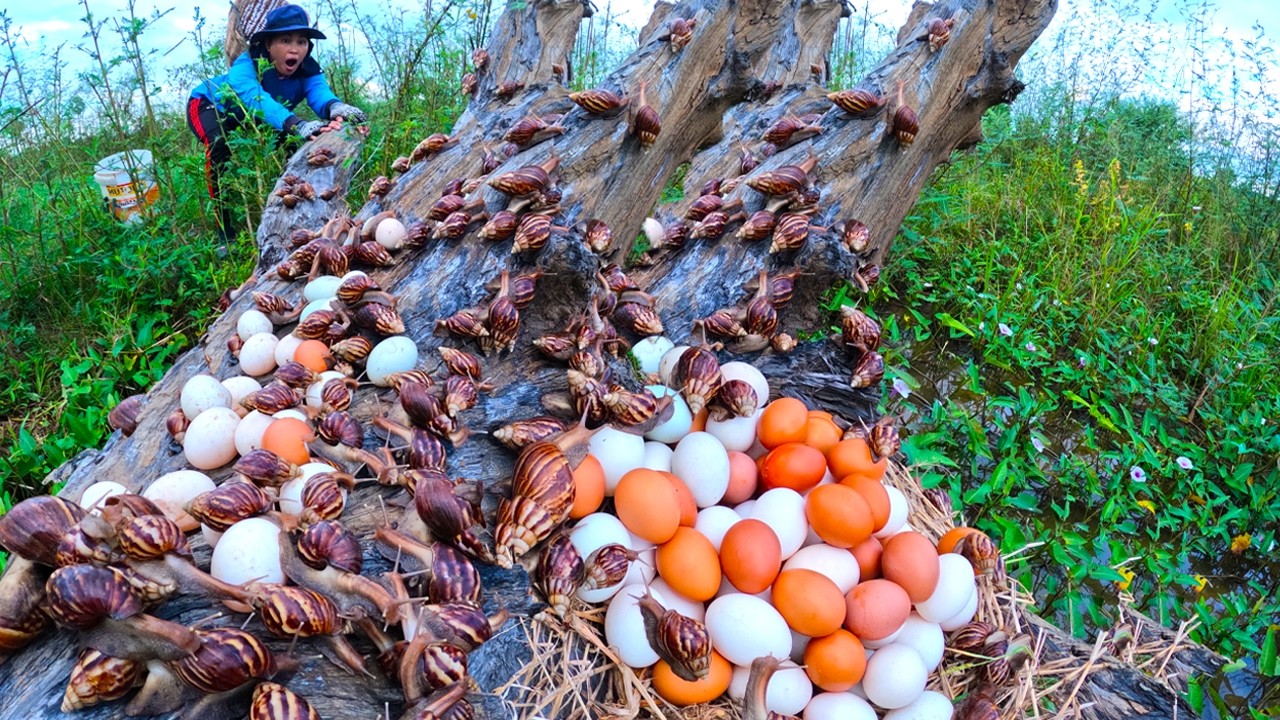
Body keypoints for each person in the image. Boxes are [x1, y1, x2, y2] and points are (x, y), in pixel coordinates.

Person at [186, 3, 367, 239]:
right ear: (269, 44)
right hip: (209, 104)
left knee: (297, 147)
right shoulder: (247, 64)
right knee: (219, 145)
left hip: (256, 118)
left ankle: (295, 211)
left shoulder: (308, 69)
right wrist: (297, 124)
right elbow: (256, 100)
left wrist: (336, 108)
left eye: (301, 42)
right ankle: (225, 228)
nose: (295, 50)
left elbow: (319, 93)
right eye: (285, 41)